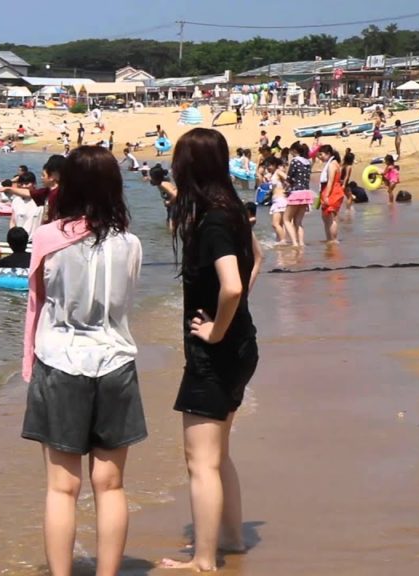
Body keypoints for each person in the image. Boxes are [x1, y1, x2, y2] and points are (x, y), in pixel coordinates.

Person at [21, 145, 146, 576]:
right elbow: (125, 299)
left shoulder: (48, 238)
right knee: (111, 486)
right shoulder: (130, 243)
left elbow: (38, 300)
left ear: (67, 184)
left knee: (62, 488)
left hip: (61, 358)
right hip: (115, 358)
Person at [160, 128, 261, 572]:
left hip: (217, 353)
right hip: (241, 347)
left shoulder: (213, 220)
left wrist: (217, 330)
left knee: (200, 461)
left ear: (190, 168)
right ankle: (233, 539)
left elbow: (233, 284)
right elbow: (257, 258)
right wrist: (232, 322)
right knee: (218, 455)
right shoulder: (231, 209)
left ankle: (203, 559)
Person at [284, 142, 314, 247]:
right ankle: (301, 243)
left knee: (286, 219)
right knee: (298, 221)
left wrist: (285, 188)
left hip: (296, 192)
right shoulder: (308, 162)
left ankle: (294, 243)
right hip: (306, 193)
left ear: (295, 151)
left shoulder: (295, 161)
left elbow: (289, 178)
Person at [317, 145, 345, 242]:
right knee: (327, 217)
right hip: (335, 191)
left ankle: (333, 240)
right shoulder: (335, 163)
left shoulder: (332, 165)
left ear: (328, 154)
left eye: (321, 154)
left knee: (331, 218)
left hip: (333, 192)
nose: (319, 157)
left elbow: (330, 181)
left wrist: (326, 196)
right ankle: (330, 240)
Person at [150, 164, 178, 231]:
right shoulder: (162, 182)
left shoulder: (162, 184)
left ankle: (171, 239)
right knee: (168, 223)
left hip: (175, 205)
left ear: (156, 178)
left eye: (151, 176)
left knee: (171, 224)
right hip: (173, 206)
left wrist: (169, 202)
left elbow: (176, 195)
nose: (150, 178)